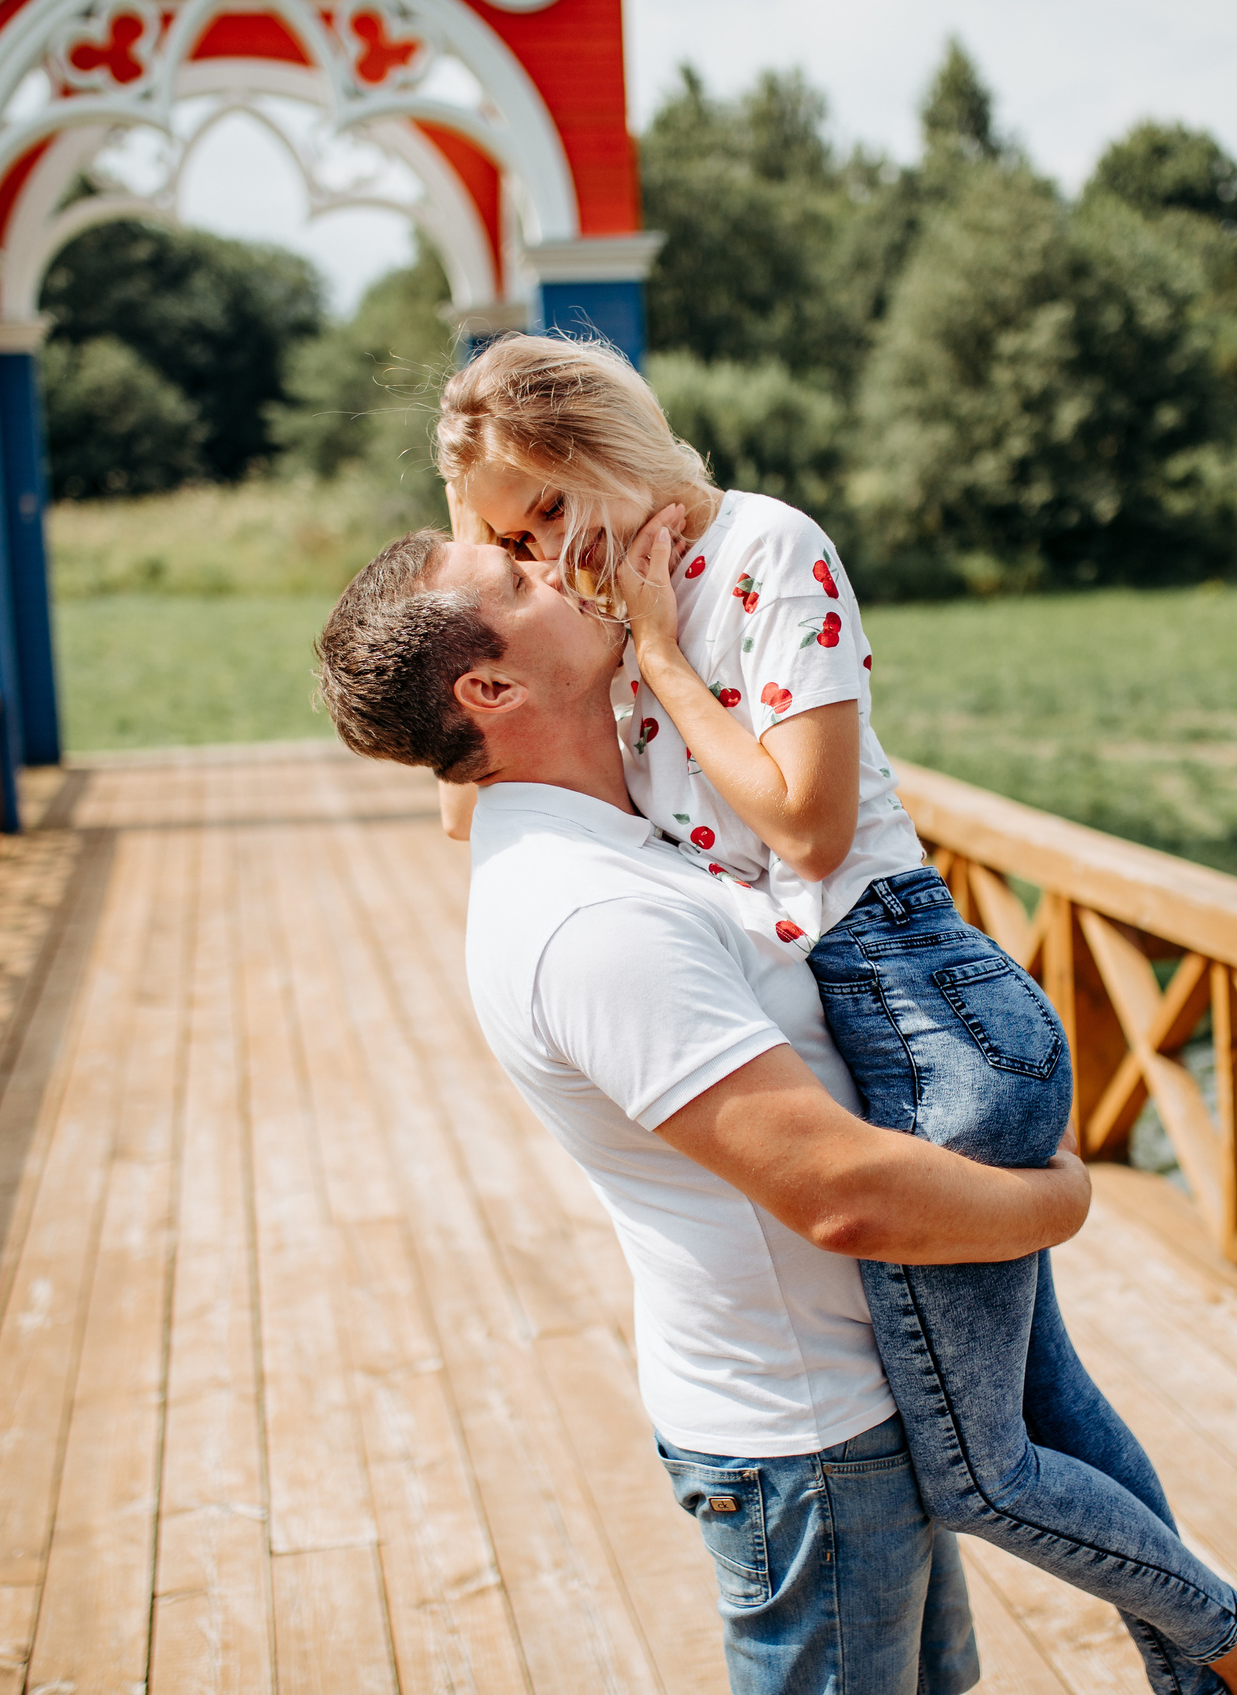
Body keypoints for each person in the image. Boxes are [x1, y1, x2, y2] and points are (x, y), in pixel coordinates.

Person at [422, 334, 1237, 1695]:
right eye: (508, 542)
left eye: (544, 512)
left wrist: (660, 653)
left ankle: (1234, 1643)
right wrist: (481, 531)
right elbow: (458, 783)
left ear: (609, 448)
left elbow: (809, 828)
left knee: (975, 1467)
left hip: (919, 1002)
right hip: (862, 1019)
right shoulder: (593, 612)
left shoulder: (762, 552)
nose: (541, 555)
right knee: (1046, 1403)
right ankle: (1214, 1664)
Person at [317, 525, 1085, 1694]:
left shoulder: (624, 833)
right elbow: (841, 1196)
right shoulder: (592, 918)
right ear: (490, 691)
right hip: (807, 1438)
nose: (556, 565)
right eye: (520, 577)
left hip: (850, 1400)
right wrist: (1060, 1204)